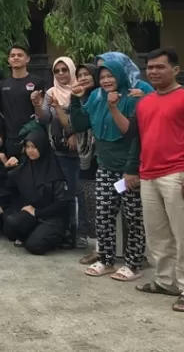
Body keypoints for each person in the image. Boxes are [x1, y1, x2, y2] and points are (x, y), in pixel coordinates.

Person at [70, 60, 147, 281]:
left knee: (133, 217)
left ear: (121, 76)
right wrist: (75, 100)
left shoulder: (132, 98)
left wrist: (132, 169)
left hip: (128, 170)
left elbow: (135, 137)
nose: (106, 80)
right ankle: (106, 260)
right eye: (102, 77)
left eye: (110, 76)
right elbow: (80, 124)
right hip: (105, 166)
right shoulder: (95, 97)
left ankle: (133, 263)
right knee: (103, 214)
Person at [126, 48, 184, 312]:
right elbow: (137, 139)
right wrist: (132, 169)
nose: (153, 72)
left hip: (177, 173)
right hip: (148, 174)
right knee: (157, 234)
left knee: (181, 233)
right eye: (149, 67)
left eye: (160, 67)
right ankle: (165, 281)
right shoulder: (145, 102)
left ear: (175, 70)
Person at [34, 57, 81, 246]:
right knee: (62, 192)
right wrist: (38, 105)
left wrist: (74, 134)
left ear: (72, 70)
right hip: (58, 150)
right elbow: (44, 119)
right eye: (57, 71)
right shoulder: (51, 92)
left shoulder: (80, 90)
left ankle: (81, 233)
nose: (61, 74)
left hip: (79, 152)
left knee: (78, 192)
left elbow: (84, 118)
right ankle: (65, 230)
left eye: (65, 70)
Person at [3, 129, 69, 255]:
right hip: (32, 214)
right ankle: (33, 233)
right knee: (10, 224)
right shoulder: (25, 167)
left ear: (42, 147)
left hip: (52, 218)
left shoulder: (54, 172)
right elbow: (5, 183)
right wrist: (6, 167)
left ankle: (58, 238)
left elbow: (61, 203)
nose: (30, 151)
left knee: (34, 246)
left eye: (34, 147)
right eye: (27, 147)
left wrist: (37, 212)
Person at [0, 45, 45, 157]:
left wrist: (37, 104)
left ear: (27, 59)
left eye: (20, 55)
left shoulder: (37, 81)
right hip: (11, 138)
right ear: (8, 60)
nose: (16, 58)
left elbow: (42, 116)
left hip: (33, 135)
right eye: (12, 55)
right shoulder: (2, 85)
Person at [75, 63, 99, 262]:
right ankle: (100, 248)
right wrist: (75, 99)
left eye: (87, 74)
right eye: (80, 75)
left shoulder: (102, 95)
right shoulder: (79, 98)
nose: (83, 78)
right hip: (87, 158)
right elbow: (79, 124)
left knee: (121, 203)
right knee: (93, 203)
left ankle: (128, 249)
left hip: (107, 158)